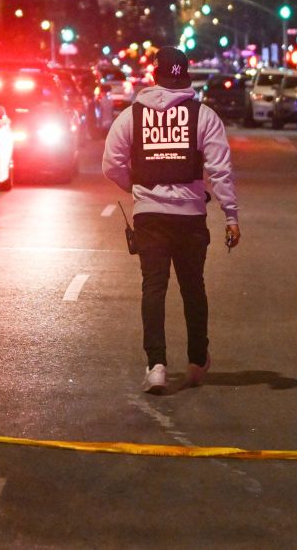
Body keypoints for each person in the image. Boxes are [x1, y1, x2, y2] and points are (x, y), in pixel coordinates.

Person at [102, 46, 240, 394]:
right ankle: (196, 362)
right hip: (191, 215)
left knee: (154, 287)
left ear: (154, 76)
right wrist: (231, 215)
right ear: (186, 75)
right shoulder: (203, 116)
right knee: (193, 288)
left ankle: (156, 365)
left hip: (150, 215)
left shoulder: (132, 117)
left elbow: (111, 164)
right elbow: (219, 169)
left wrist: (135, 184)